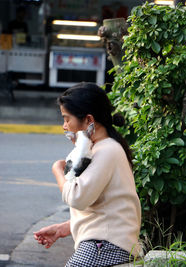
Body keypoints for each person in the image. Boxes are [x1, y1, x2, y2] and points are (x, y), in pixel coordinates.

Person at [33, 82, 142, 266]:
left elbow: (77, 197)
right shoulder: (101, 148)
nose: (64, 126)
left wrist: (57, 170)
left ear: (89, 120)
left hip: (107, 246)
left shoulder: (106, 150)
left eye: (67, 119)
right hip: (105, 244)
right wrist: (66, 227)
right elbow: (104, 206)